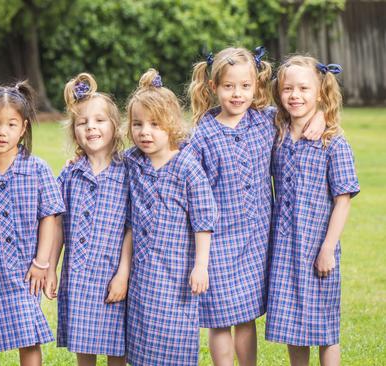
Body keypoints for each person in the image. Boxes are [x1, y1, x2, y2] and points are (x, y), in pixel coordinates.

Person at [187, 47, 324, 365]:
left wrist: (322, 114)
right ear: (213, 87)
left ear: (256, 87)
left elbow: (302, 107)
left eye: (245, 86)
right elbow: (182, 174)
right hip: (217, 241)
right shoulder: (203, 135)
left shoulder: (267, 121)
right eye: (228, 86)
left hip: (256, 239)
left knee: (245, 314)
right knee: (220, 316)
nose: (237, 94)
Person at [265, 56, 359, 366]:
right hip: (285, 248)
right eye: (288, 88)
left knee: (324, 326)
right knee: (293, 325)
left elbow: (343, 198)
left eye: (304, 88)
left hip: (318, 245)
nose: (295, 95)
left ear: (320, 92)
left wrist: (328, 248)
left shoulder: (333, 141)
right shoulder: (275, 131)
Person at [0, 81, 65, 366]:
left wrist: (42, 263)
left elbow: (49, 216)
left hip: (26, 269)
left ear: (23, 128)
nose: (2, 131)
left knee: (28, 335)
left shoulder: (37, 169)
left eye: (11, 124)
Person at [125, 69, 217, 366]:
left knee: (175, 339)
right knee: (140, 341)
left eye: (154, 125)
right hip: (143, 273)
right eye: (137, 125)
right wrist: (79, 154)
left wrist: (201, 266)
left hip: (177, 272)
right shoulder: (131, 161)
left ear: (172, 126)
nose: (145, 132)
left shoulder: (187, 167)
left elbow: (203, 220)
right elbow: (101, 157)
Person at [46, 73, 132, 366]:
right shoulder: (70, 175)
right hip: (80, 273)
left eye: (99, 121)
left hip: (114, 274)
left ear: (115, 126)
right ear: (75, 131)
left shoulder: (129, 171)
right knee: (84, 345)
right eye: (83, 123)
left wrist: (123, 273)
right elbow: (56, 224)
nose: (91, 127)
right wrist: (51, 268)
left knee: (117, 347)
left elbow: (133, 227)